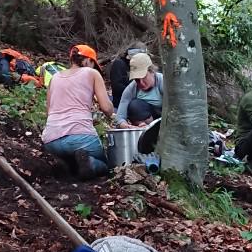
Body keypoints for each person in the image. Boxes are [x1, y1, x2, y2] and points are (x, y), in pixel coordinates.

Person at [42, 44, 114, 180]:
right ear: (87, 60)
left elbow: (48, 113)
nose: (93, 67)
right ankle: (91, 164)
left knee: (74, 158)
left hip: (51, 140)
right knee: (106, 163)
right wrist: (112, 112)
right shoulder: (92, 73)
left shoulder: (54, 78)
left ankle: (67, 166)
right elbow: (106, 108)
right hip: (80, 138)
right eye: (93, 64)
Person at [116, 52, 164, 126]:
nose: (141, 83)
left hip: (163, 118)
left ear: (152, 71)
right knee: (135, 105)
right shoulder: (131, 88)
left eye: (144, 77)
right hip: (144, 120)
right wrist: (126, 126)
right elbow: (120, 117)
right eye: (137, 79)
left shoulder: (162, 81)